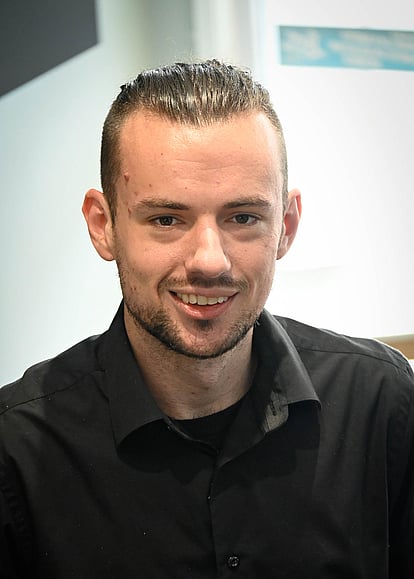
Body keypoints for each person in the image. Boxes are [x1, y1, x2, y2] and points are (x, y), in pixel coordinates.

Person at [0, 60, 413, 579]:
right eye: (166, 219)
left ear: (285, 226)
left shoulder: (382, 403)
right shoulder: (17, 450)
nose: (209, 261)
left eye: (243, 217)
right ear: (104, 226)